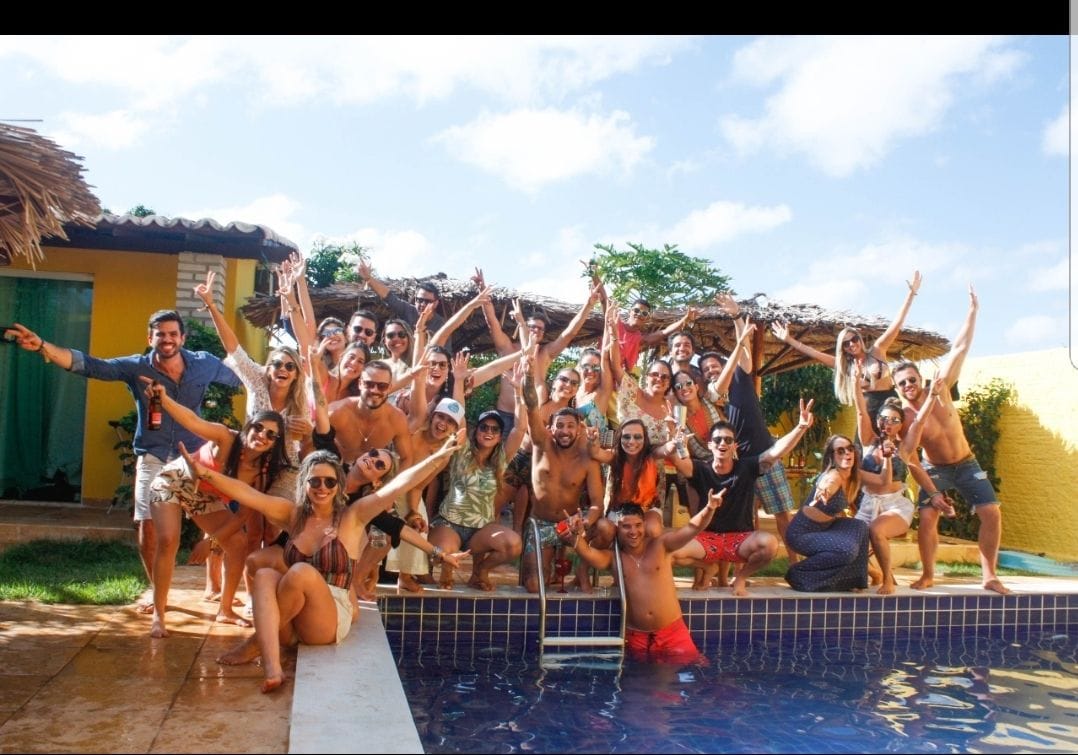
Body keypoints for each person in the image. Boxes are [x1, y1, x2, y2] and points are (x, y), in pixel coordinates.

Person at [4, 313, 242, 609]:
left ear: (183, 338)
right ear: (150, 338)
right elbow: (91, 365)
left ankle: (215, 586)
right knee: (147, 525)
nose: (167, 339)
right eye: (160, 334)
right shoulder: (135, 367)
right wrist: (43, 346)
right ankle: (157, 592)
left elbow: (241, 375)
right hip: (153, 455)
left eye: (172, 334)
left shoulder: (204, 364)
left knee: (217, 516)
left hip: (194, 455)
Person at [197, 436, 462, 693]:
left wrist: (439, 456)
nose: (321, 487)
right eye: (314, 481)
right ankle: (272, 664)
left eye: (329, 481)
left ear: (338, 485)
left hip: (327, 619)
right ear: (305, 482)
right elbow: (248, 494)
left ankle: (259, 647)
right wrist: (205, 473)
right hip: (292, 622)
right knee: (265, 574)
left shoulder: (352, 516)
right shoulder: (292, 515)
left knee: (300, 571)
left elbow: (399, 485)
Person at [144, 376, 289, 637]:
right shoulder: (226, 438)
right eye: (258, 428)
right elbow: (192, 421)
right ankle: (158, 614)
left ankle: (225, 609)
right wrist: (163, 399)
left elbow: (242, 516)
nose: (262, 436)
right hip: (172, 482)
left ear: (275, 443)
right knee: (168, 540)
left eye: (271, 435)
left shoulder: (260, 472)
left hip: (205, 497)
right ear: (249, 426)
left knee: (238, 543)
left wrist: (210, 542)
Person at [898, 285, 1010, 595]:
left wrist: (973, 311)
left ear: (919, 379)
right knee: (927, 516)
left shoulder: (942, 388)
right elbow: (910, 456)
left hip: (966, 463)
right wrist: (933, 492)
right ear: (897, 387)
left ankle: (989, 576)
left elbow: (960, 347)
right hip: (934, 468)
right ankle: (927, 575)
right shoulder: (904, 417)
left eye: (911, 379)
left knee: (991, 512)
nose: (908, 385)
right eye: (902, 383)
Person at [668, 400, 815, 597]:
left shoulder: (747, 467)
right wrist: (672, 434)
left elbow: (775, 451)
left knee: (769, 544)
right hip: (707, 539)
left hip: (740, 540)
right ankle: (706, 566)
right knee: (669, 550)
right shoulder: (700, 468)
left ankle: (741, 577)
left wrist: (800, 427)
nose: (723, 443)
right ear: (710, 445)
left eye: (728, 440)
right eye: (718, 440)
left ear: (734, 446)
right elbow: (678, 460)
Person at [567, 496, 725, 664]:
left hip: (672, 633)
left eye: (638, 525)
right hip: (637, 637)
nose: (633, 532)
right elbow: (588, 553)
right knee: (639, 679)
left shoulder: (661, 545)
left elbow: (692, 528)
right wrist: (575, 535)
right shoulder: (614, 559)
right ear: (617, 529)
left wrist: (709, 508)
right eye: (626, 526)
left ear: (644, 524)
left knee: (692, 671)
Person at [429, 364, 528, 591]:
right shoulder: (462, 450)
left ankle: (480, 572)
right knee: (444, 554)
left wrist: (519, 392)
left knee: (513, 544)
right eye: (484, 427)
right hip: (449, 524)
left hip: (481, 529)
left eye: (494, 429)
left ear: (499, 436)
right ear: (477, 431)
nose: (489, 432)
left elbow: (520, 429)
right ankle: (447, 569)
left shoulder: (501, 459)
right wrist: (458, 380)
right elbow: (459, 413)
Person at [770, 271, 922, 419]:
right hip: (868, 411)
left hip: (892, 406)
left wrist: (911, 294)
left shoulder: (877, 350)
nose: (851, 344)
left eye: (854, 339)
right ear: (842, 348)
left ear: (859, 339)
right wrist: (789, 339)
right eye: (846, 343)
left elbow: (896, 325)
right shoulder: (845, 366)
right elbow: (813, 353)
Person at [520, 364, 604, 593]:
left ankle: (580, 574)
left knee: (604, 530)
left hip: (570, 526)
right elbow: (531, 406)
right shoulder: (542, 443)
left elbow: (597, 503)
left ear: (579, 429)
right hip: (541, 524)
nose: (564, 431)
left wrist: (584, 521)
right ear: (550, 428)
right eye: (559, 426)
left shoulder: (588, 458)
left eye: (570, 426)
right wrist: (528, 375)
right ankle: (548, 567)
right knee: (535, 586)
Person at [852, 386, 923, 595]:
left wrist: (934, 395)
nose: (888, 423)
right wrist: (856, 383)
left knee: (877, 531)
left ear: (901, 425)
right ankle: (876, 574)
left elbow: (919, 423)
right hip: (868, 503)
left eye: (894, 420)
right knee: (849, 543)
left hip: (895, 505)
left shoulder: (904, 448)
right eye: (883, 418)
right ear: (877, 420)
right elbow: (860, 411)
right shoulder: (868, 442)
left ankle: (887, 581)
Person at [784, 435, 870, 592]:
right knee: (846, 550)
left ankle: (853, 579)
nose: (847, 453)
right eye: (840, 451)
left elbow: (883, 482)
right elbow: (827, 484)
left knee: (860, 526)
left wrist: (888, 458)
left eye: (850, 449)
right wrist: (824, 491)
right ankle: (798, 573)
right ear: (832, 456)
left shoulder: (854, 476)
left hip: (827, 528)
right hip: (802, 534)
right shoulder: (833, 475)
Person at [356, 260, 452, 350]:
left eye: (427, 301)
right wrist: (368, 278)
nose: (422, 304)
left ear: (436, 303)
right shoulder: (408, 311)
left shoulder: (442, 326)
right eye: (419, 300)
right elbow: (389, 297)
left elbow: (445, 353)